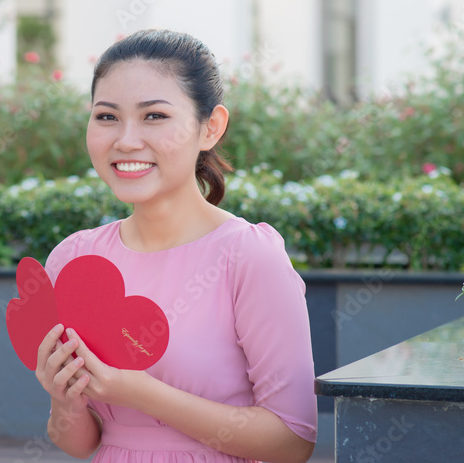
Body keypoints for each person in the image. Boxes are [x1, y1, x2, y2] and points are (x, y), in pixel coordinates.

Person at [34, 29, 318, 463]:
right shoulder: (74, 260)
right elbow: (83, 442)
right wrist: (64, 401)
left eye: (154, 116)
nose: (126, 140)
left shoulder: (248, 257)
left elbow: (292, 440)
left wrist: (144, 394)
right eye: (107, 117)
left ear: (211, 127)